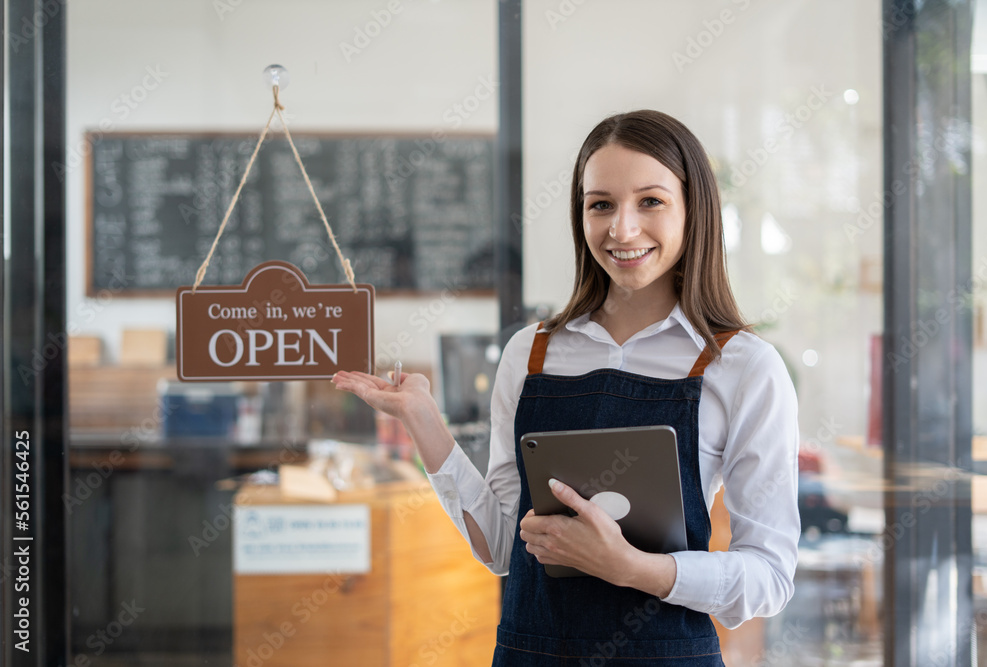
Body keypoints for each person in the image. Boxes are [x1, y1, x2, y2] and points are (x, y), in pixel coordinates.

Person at [333, 109, 799, 666]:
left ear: (693, 210)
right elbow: (505, 548)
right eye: (600, 204)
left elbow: (770, 576)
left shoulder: (742, 366)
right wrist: (422, 419)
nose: (621, 229)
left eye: (650, 201)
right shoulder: (530, 353)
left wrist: (633, 568)